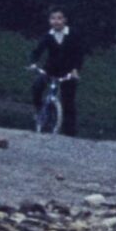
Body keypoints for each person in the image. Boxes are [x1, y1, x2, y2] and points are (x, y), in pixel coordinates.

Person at [28, 7, 86, 135]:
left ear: (65, 20)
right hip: (51, 69)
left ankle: (70, 132)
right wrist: (33, 63)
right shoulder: (48, 36)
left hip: (68, 70)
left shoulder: (73, 34)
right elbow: (37, 51)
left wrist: (75, 70)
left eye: (59, 18)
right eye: (53, 18)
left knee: (68, 100)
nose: (56, 21)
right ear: (49, 21)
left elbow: (79, 54)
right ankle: (39, 110)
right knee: (37, 86)